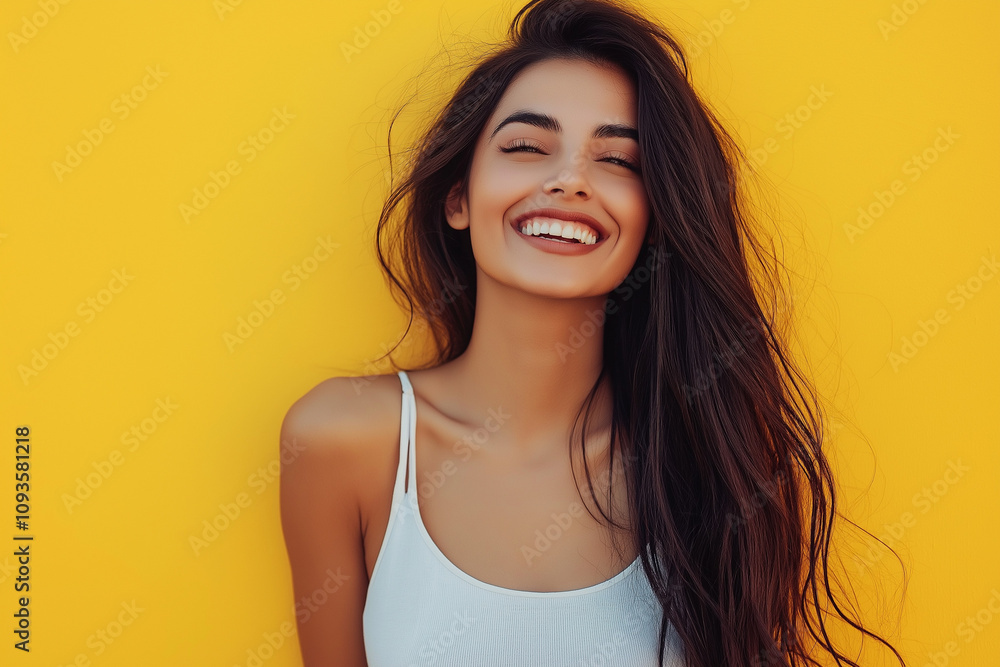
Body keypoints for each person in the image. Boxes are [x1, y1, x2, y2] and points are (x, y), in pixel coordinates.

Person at [279, 0, 908, 665]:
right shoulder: (342, 440)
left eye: (620, 161)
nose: (570, 180)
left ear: (655, 220)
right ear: (458, 198)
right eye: (526, 146)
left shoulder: (711, 460)